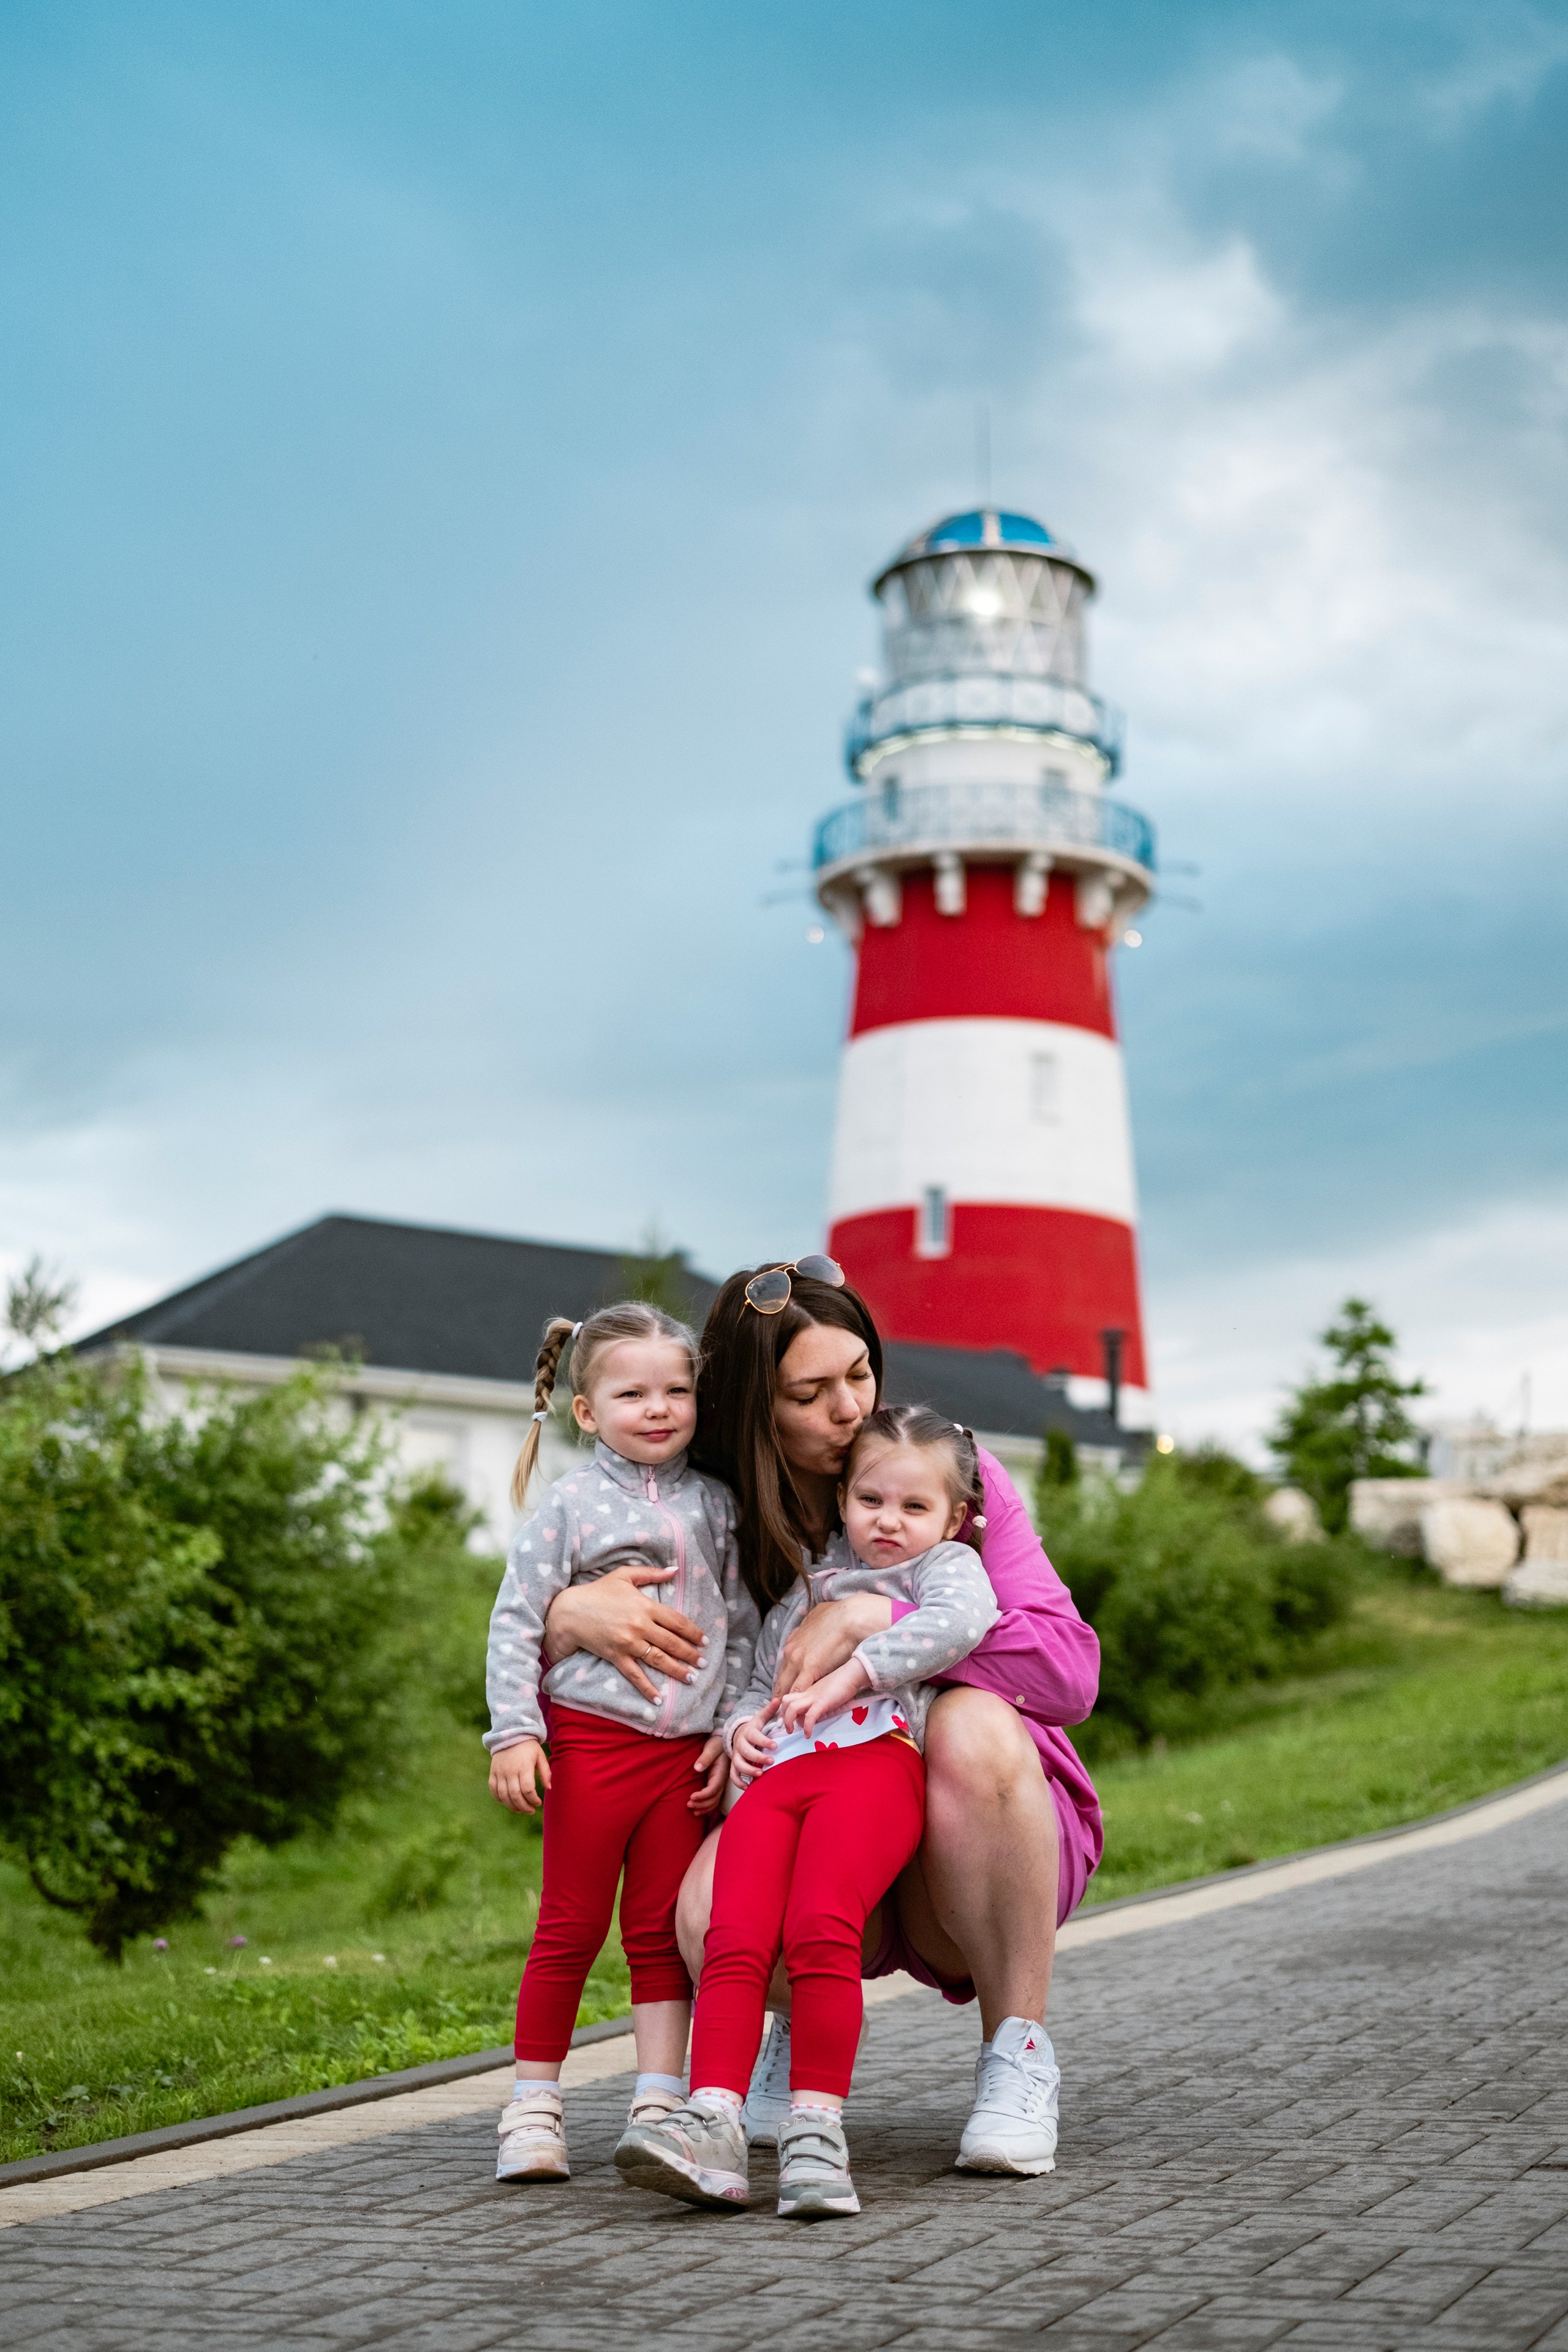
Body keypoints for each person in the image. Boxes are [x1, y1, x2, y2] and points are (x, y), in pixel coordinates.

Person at [542, 1260, 1101, 2177]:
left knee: (975, 1724)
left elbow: (1068, 1671)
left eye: (860, 1374)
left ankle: (1017, 2056)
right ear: (755, 1409)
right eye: (811, 1393)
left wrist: (883, 1620)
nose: (851, 1410)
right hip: (810, 1800)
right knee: (707, 1911)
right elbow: (556, 1631)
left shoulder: (941, 1469)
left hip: (979, 1826)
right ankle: (788, 2033)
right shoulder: (700, 1504)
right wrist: (569, 1615)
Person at [616, 1406, 1000, 2217]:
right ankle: (713, 2124)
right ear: (844, 1500)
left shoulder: (943, 1572)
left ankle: (815, 2134)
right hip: (781, 1778)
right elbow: (763, 1676)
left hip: (874, 1768)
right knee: (735, 1933)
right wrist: (741, 1728)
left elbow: (963, 1626)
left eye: (913, 1507)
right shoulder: (810, 1581)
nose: (889, 1522)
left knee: (823, 1927)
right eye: (870, 1501)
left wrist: (856, 1671)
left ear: (954, 1517)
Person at [483, 1301, 758, 2185]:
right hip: (593, 1743)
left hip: (685, 1759)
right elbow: (515, 1623)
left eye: (677, 1390)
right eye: (633, 1392)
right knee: (568, 1925)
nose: (659, 1407)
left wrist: (729, 1723)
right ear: (588, 1411)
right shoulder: (569, 1505)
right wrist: (515, 1733)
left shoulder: (718, 1506)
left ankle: (657, 2096)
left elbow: (745, 1626)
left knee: (656, 1931)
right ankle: (532, 2108)